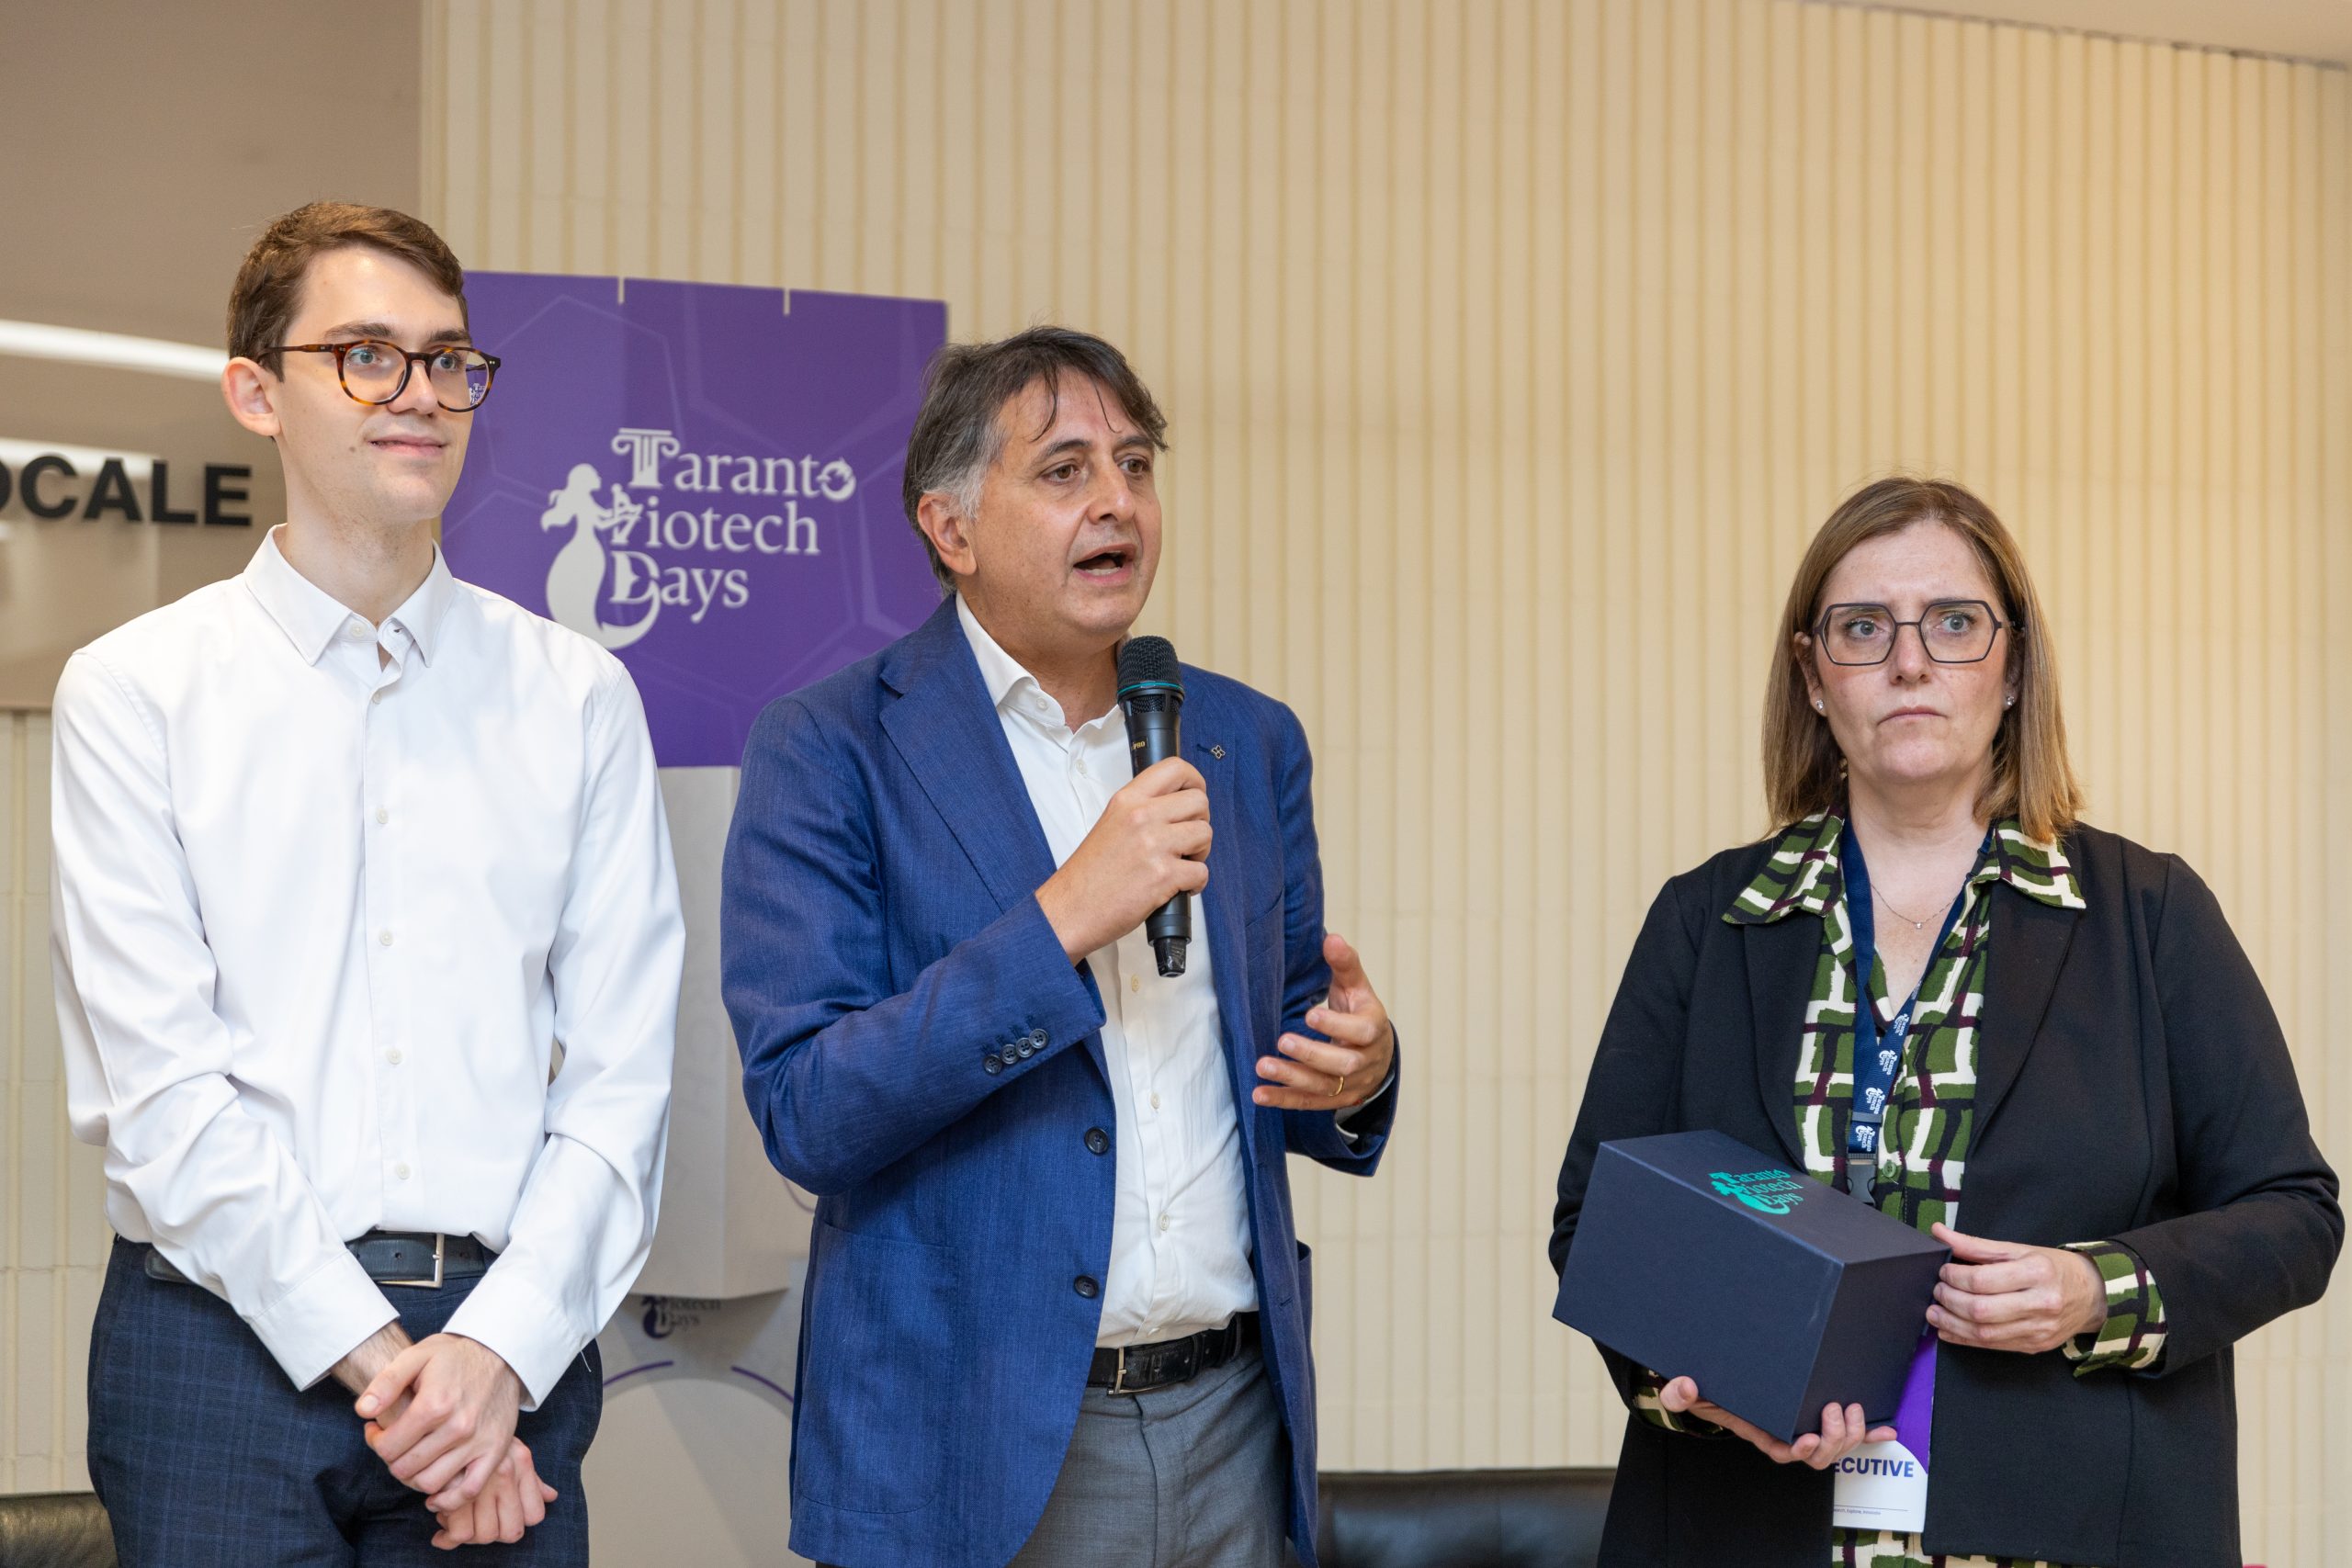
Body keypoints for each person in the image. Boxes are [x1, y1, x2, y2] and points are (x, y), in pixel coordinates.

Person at [1549, 477, 2339, 1567]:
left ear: (2012, 669)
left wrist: (2091, 1291)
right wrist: (1706, 1384)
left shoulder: (2147, 915)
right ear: (1812, 676)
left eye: (1954, 624)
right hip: (1748, 1524)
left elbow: (2293, 1217)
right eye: (1862, 628)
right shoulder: (1707, 920)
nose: (1909, 662)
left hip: (2071, 1534)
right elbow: (1599, 1224)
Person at [51, 201, 684, 1562]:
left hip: (504, 1344)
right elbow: (165, 1092)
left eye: (448, 359)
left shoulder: (576, 695)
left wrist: (493, 1357)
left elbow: (622, 1078)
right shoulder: (137, 691)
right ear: (255, 393)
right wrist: (399, 1373)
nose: (421, 395)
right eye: (366, 356)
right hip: (219, 1343)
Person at [720, 326, 1401, 1568]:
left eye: (1135, 465)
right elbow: (808, 1107)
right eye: (1064, 469)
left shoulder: (1243, 737)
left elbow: (1293, 1038)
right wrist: (1062, 920)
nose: (1117, 502)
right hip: (968, 1441)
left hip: (1234, 1422)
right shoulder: (831, 747)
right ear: (951, 527)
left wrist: (1358, 1069)